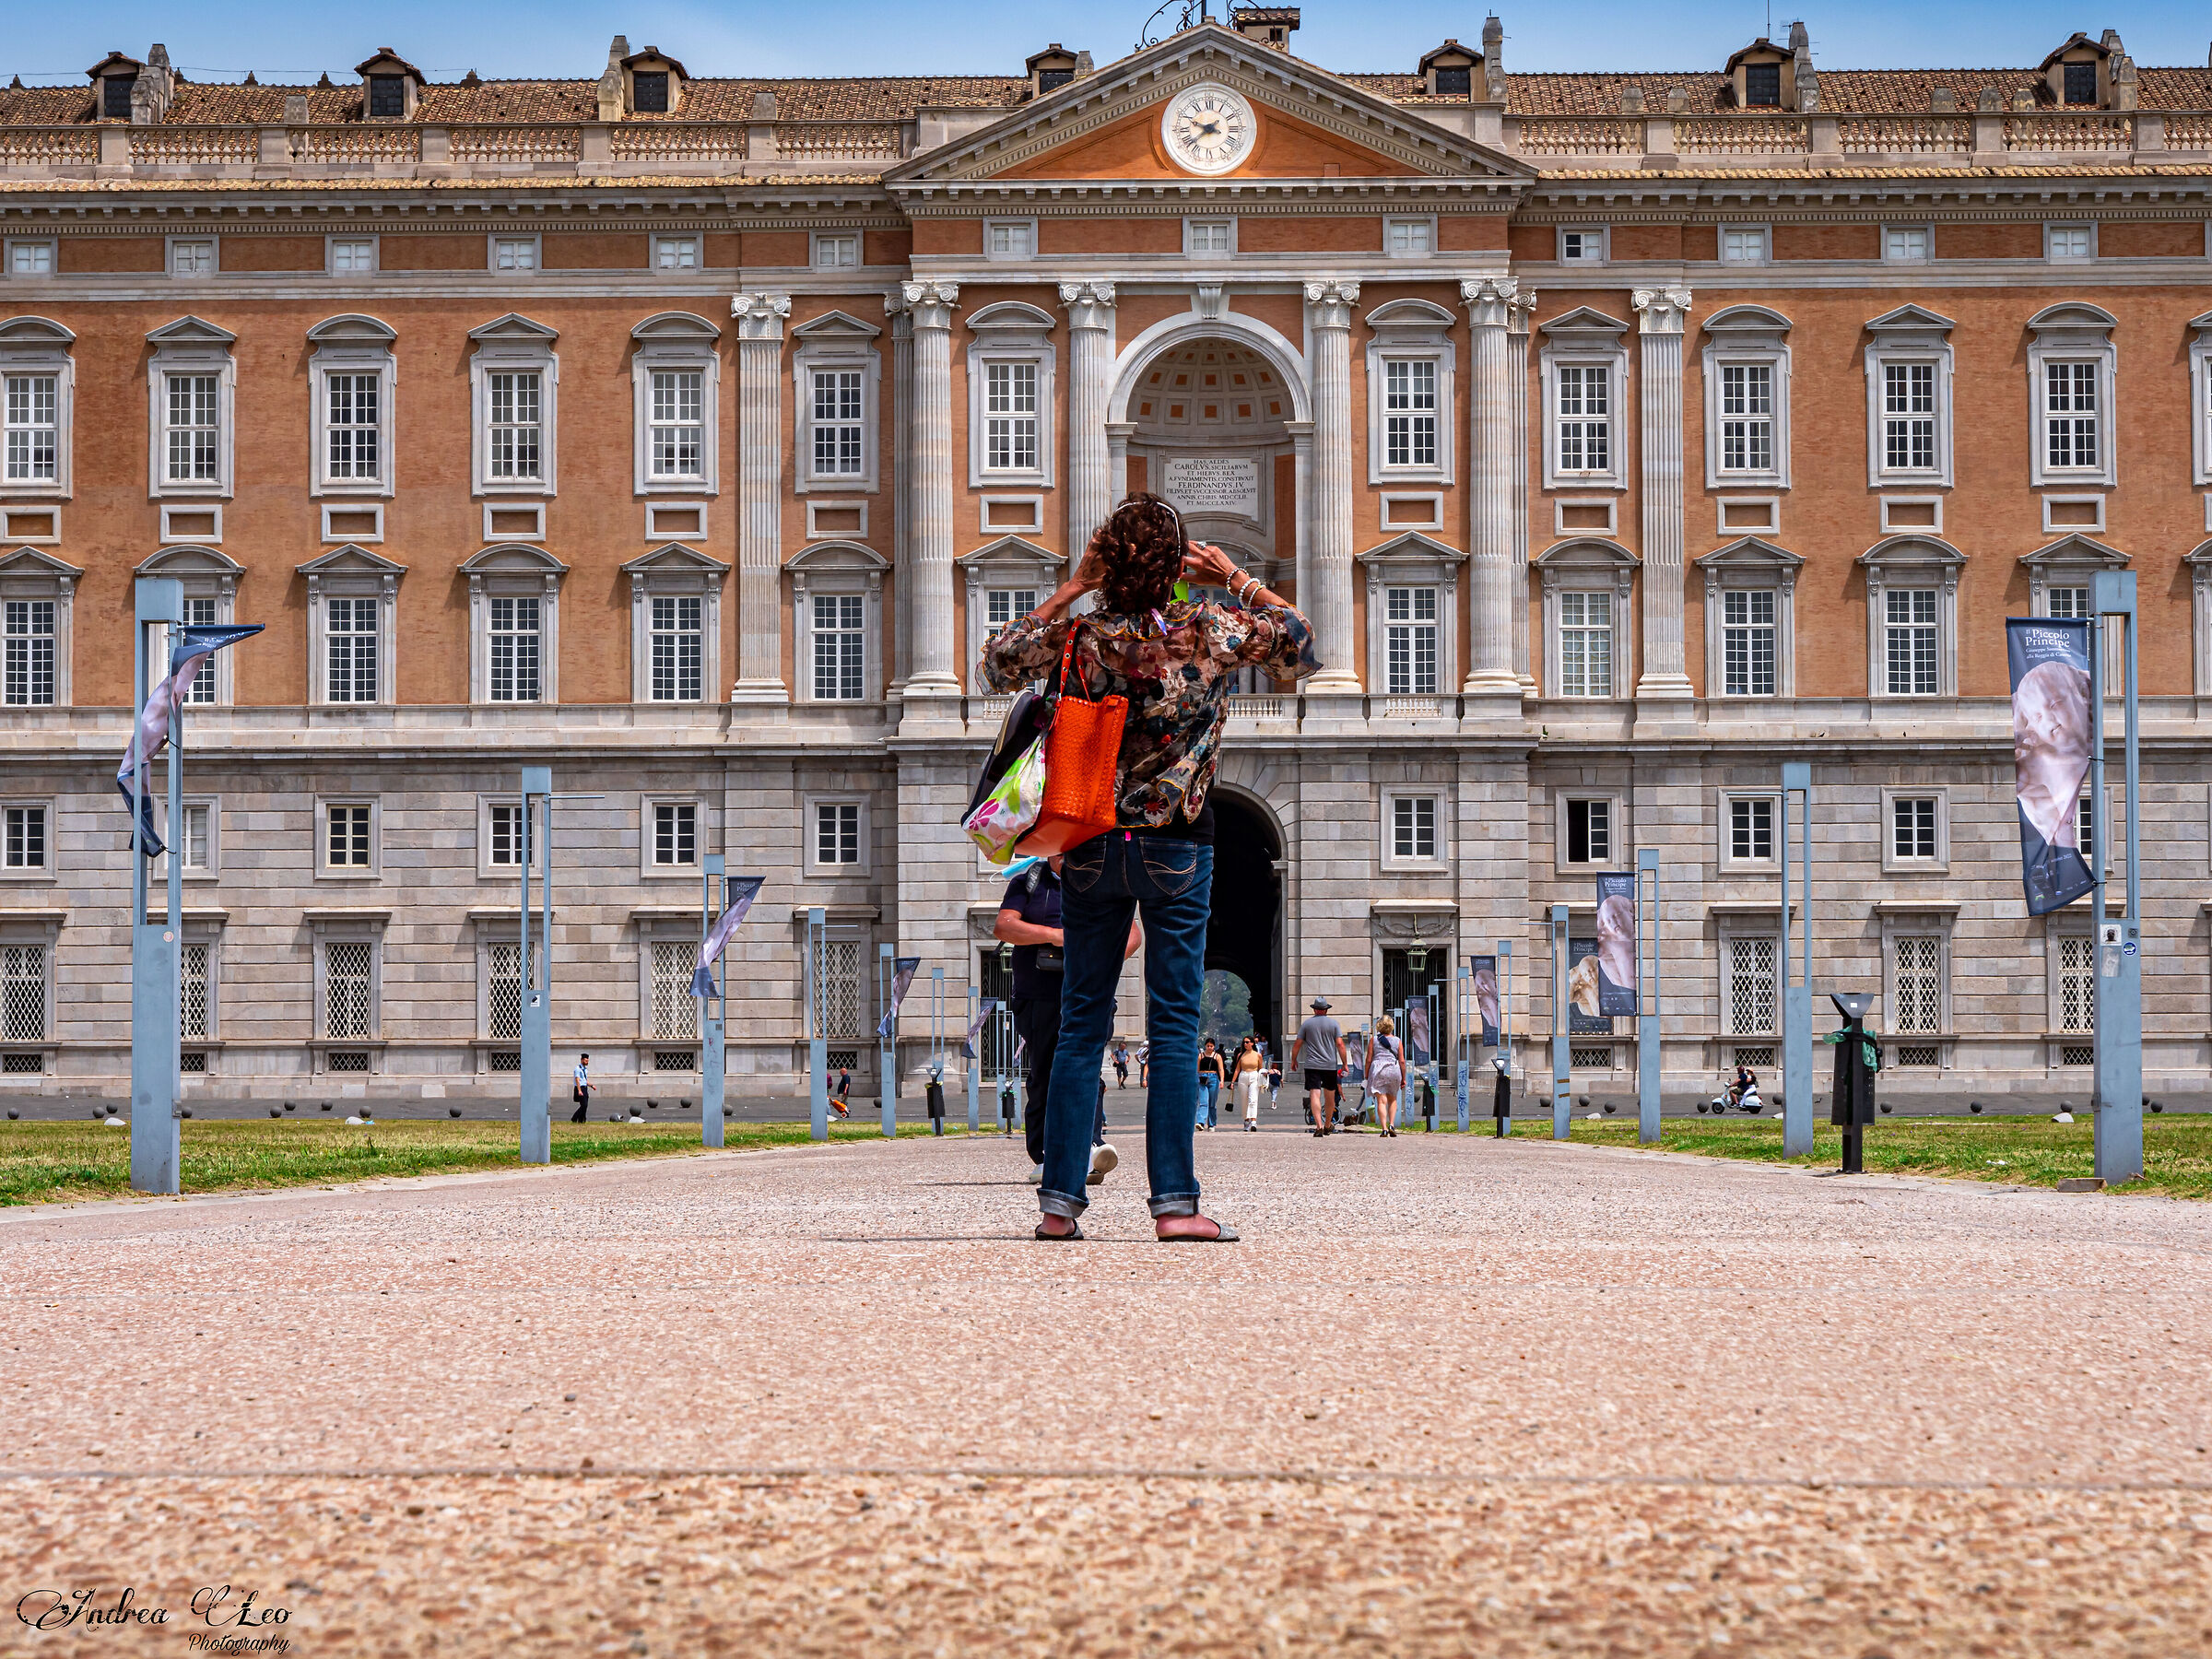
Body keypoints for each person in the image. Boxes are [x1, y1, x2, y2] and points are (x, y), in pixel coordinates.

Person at [982, 491, 1319, 1241]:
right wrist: (1235, 576)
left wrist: (1072, 586)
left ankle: (1059, 1206)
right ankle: (1175, 1207)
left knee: (1079, 1026)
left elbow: (999, 661)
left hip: (1091, 842)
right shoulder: (1205, 631)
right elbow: (1298, 640)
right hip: (1178, 841)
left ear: (1107, 561)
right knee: (1172, 1027)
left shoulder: (1082, 634)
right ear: (1174, 568)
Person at [994, 856, 1140, 1186]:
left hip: (1091, 993)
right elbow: (1004, 926)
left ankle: (1088, 1146)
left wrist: (1105, 957)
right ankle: (1046, 1154)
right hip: (1040, 995)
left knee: (1088, 1070)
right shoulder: (1029, 882)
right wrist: (1057, 936)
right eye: (1060, 849)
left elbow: (1132, 933)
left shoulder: (1103, 880)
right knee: (1046, 1072)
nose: (1067, 855)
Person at [1296, 997, 1349, 1137]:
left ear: (1314, 1009)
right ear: (1326, 1010)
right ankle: (1327, 1125)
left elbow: (1297, 1044)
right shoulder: (1333, 1024)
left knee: (1315, 1093)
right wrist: (1344, 1064)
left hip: (1312, 1064)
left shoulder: (1306, 1024)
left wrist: (1293, 1059)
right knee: (1330, 1094)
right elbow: (1340, 1044)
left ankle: (1318, 1125)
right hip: (1329, 1065)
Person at [1367, 1016, 1406, 1137]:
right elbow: (1402, 1061)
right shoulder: (1398, 1040)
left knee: (1381, 1101)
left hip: (1378, 1070)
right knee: (1393, 1099)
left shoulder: (1374, 1040)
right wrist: (1403, 1077)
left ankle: (1384, 1128)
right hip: (1393, 1070)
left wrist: (1366, 1074)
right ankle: (1392, 1125)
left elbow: (1368, 1059)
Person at [1232, 1036, 1266, 1132]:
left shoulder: (1258, 1055)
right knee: (1244, 1100)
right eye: (1244, 1042)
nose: (1245, 1044)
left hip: (1254, 1076)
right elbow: (1237, 1069)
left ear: (1252, 1043)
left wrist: (1264, 1076)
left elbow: (1260, 1068)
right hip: (1243, 1075)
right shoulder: (1240, 1055)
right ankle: (1246, 1120)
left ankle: (1253, 1121)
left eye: (1247, 1042)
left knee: (1253, 1099)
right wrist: (1232, 1082)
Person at [1195, 1039, 1225, 1131]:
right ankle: (1201, 1122)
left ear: (1214, 1047)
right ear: (1205, 1046)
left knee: (1212, 1103)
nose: (1209, 1048)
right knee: (1203, 1102)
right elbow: (1197, 1069)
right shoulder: (1200, 1056)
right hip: (1202, 1078)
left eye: (1211, 1046)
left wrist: (1222, 1080)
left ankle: (1211, 1124)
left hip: (1214, 1078)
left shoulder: (1217, 1056)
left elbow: (1221, 1069)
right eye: (1208, 1046)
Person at [570, 1053, 591, 1124]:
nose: (587, 1062)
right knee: (584, 1105)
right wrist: (579, 1090)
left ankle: (582, 1120)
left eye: (587, 1061)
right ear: (581, 1060)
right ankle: (574, 1118)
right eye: (585, 1061)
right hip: (580, 1088)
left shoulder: (585, 1070)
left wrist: (591, 1085)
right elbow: (577, 1080)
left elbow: (584, 1080)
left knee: (585, 1105)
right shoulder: (578, 1069)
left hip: (584, 1088)